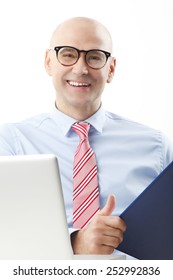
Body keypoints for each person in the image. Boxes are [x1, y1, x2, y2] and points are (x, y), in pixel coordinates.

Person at [0, 17, 173, 256]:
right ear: (48, 62)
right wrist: (74, 244)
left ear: (110, 69)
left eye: (94, 57)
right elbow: (6, 239)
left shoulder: (155, 146)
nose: (80, 69)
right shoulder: (11, 143)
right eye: (68, 54)